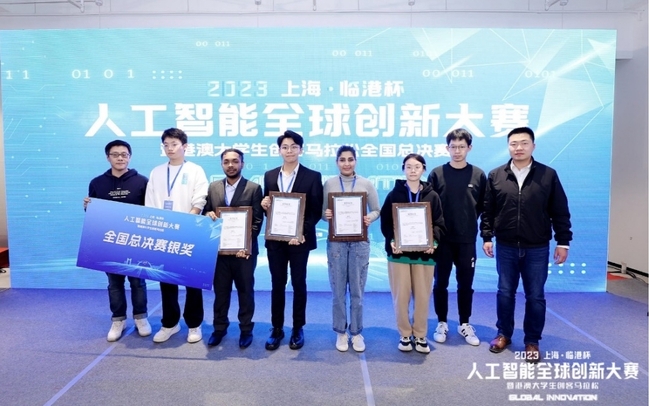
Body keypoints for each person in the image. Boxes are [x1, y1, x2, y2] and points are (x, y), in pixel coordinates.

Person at [480, 126, 572, 363]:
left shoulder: (548, 175)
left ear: (533, 146)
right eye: (513, 143)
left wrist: (563, 242)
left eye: (523, 143)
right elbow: (488, 210)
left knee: (535, 296)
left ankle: (532, 340)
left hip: (537, 247)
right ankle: (503, 334)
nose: (518, 148)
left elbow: (560, 210)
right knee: (505, 293)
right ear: (508, 146)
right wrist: (487, 237)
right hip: (506, 245)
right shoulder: (496, 175)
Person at [261, 130, 324, 351]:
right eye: (285, 147)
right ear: (279, 150)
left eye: (294, 147)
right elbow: (271, 210)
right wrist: (265, 206)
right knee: (277, 284)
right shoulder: (270, 175)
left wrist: (301, 232)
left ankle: (298, 327)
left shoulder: (312, 176)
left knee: (299, 283)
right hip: (276, 241)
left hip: (300, 240)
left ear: (301, 150)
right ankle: (277, 328)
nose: (289, 151)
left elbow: (315, 210)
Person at [145, 128, 209, 344]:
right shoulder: (156, 172)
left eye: (174, 144)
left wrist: (185, 224)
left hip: (189, 232)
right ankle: (170, 323)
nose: (170, 148)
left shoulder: (195, 170)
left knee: (192, 281)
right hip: (163, 234)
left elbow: (199, 199)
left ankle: (194, 324)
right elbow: (150, 203)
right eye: (166, 145)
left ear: (185, 146)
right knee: (166, 282)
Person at [84, 140, 150, 342]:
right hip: (109, 242)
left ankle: (141, 317)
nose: (120, 158)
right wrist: (88, 207)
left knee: (138, 282)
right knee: (114, 283)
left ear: (130, 157)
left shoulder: (142, 182)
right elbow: (94, 214)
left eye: (124, 154)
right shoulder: (97, 183)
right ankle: (118, 319)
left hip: (136, 241)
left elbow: (150, 212)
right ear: (108, 157)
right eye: (115, 154)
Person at [380, 153, 445, 354]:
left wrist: (433, 242)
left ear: (423, 169)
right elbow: (386, 223)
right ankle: (405, 334)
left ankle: (420, 335)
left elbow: (439, 223)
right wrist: (393, 241)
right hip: (399, 255)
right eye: (408, 167)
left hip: (424, 255)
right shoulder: (394, 195)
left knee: (423, 298)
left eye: (417, 166)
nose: (413, 170)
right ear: (403, 169)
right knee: (401, 297)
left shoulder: (433, 196)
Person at [427, 129, 486, 346]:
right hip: (442, 240)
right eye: (453, 147)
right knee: (440, 283)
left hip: (467, 239)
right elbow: (429, 207)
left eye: (462, 147)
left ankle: (464, 323)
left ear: (469, 148)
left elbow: (483, 207)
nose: (457, 151)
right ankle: (442, 322)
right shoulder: (437, 174)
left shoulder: (478, 175)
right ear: (447, 148)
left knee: (465, 284)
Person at [203, 149, 263, 349]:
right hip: (219, 252)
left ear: (242, 164)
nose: (231, 165)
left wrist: (246, 244)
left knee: (245, 291)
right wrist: (208, 214)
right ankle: (219, 328)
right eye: (226, 161)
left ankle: (246, 329)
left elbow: (257, 221)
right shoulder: (213, 187)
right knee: (221, 292)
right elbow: (207, 212)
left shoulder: (254, 188)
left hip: (243, 253)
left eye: (235, 161)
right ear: (222, 164)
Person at [322, 146, 380, 352]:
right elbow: (322, 212)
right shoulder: (329, 183)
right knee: (338, 291)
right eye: (342, 159)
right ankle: (340, 331)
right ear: (337, 162)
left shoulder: (366, 183)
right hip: (336, 243)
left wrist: (369, 217)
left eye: (350, 159)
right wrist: (326, 215)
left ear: (355, 161)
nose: (346, 163)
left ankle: (356, 332)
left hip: (359, 243)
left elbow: (376, 210)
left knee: (357, 291)